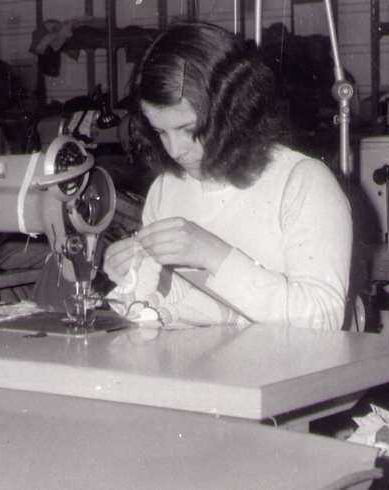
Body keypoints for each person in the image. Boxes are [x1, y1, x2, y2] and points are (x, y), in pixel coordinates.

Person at [102, 23, 353, 330]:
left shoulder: (304, 183)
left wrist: (213, 254)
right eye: (160, 132)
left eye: (189, 130)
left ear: (232, 112)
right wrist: (131, 277)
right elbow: (164, 309)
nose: (175, 150)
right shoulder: (167, 188)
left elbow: (325, 320)